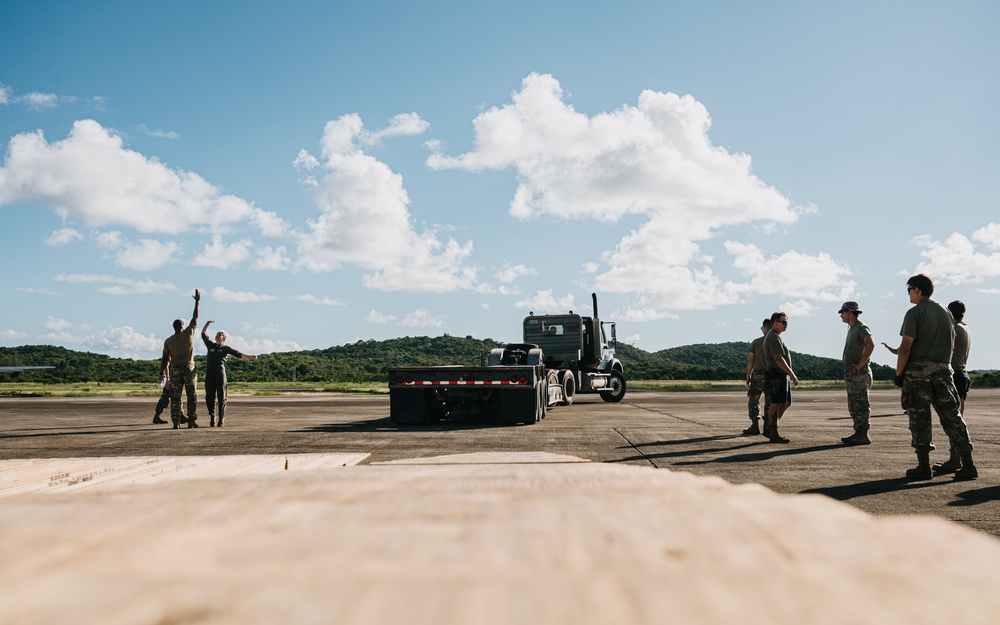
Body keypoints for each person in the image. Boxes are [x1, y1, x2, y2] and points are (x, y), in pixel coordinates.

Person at [886, 274, 976, 480]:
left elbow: (905, 349)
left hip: (918, 374)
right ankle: (968, 464)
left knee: (920, 420)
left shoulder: (914, 313)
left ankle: (923, 466)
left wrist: (899, 374)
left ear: (917, 289)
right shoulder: (946, 313)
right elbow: (951, 347)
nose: (908, 293)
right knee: (953, 418)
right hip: (944, 372)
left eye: (909, 289)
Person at [930, 300, 972, 473]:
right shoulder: (965, 328)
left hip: (954, 374)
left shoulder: (954, 329)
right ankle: (956, 459)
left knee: (953, 421)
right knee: (957, 419)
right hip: (962, 374)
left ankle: (957, 459)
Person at [201, 319, 258, 427]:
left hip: (220, 373)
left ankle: (221, 418)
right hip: (210, 373)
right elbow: (203, 334)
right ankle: (212, 416)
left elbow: (238, 354)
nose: (218, 335)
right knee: (209, 396)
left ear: (224, 338)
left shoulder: (226, 348)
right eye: (217, 334)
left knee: (222, 396)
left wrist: (250, 357)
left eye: (221, 334)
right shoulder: (210, 345)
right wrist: (207, 324)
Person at [160, 289, 201, 429]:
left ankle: (176, 422)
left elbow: (164, 359)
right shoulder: (188, 334)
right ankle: (191, 421)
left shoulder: (168, 341)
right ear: (183, 327)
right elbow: (195, 318)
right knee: (192, 396)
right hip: (189, 368)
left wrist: (162, 373)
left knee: (175, 398)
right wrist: (197, 302)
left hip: (175, 369)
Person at [839, 302, 875, 446]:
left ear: (849, 312)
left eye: (842, 312)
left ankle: (863, 434)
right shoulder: (852, 329)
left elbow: (871, 344)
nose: (841, 315)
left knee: (860, 403)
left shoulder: (861, 327)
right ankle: (858, 432)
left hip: (859, 373)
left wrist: (861, 363)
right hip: (852, 372)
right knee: (854, 404)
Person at [761, 312, 798, 444]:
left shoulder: (776, 336)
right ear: (775, 323)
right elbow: (778, 358)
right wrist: (792, 373)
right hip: (776, 374)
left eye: (786, 322)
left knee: (786, 403)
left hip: (781, 374)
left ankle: (771, 425)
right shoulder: (773, 337)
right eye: (784, 322)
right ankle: (772, 431)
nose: (786, 325)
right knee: (776, 404)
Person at [742, 318, 773, 436]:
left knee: (754, 399)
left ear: (765, 328)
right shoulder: (775, 341)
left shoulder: (756, 342)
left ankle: (755, 425)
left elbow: (751, 360)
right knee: (770, 400)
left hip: (758, 373)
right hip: (771, 373)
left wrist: (748, 376)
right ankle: (768, 426)